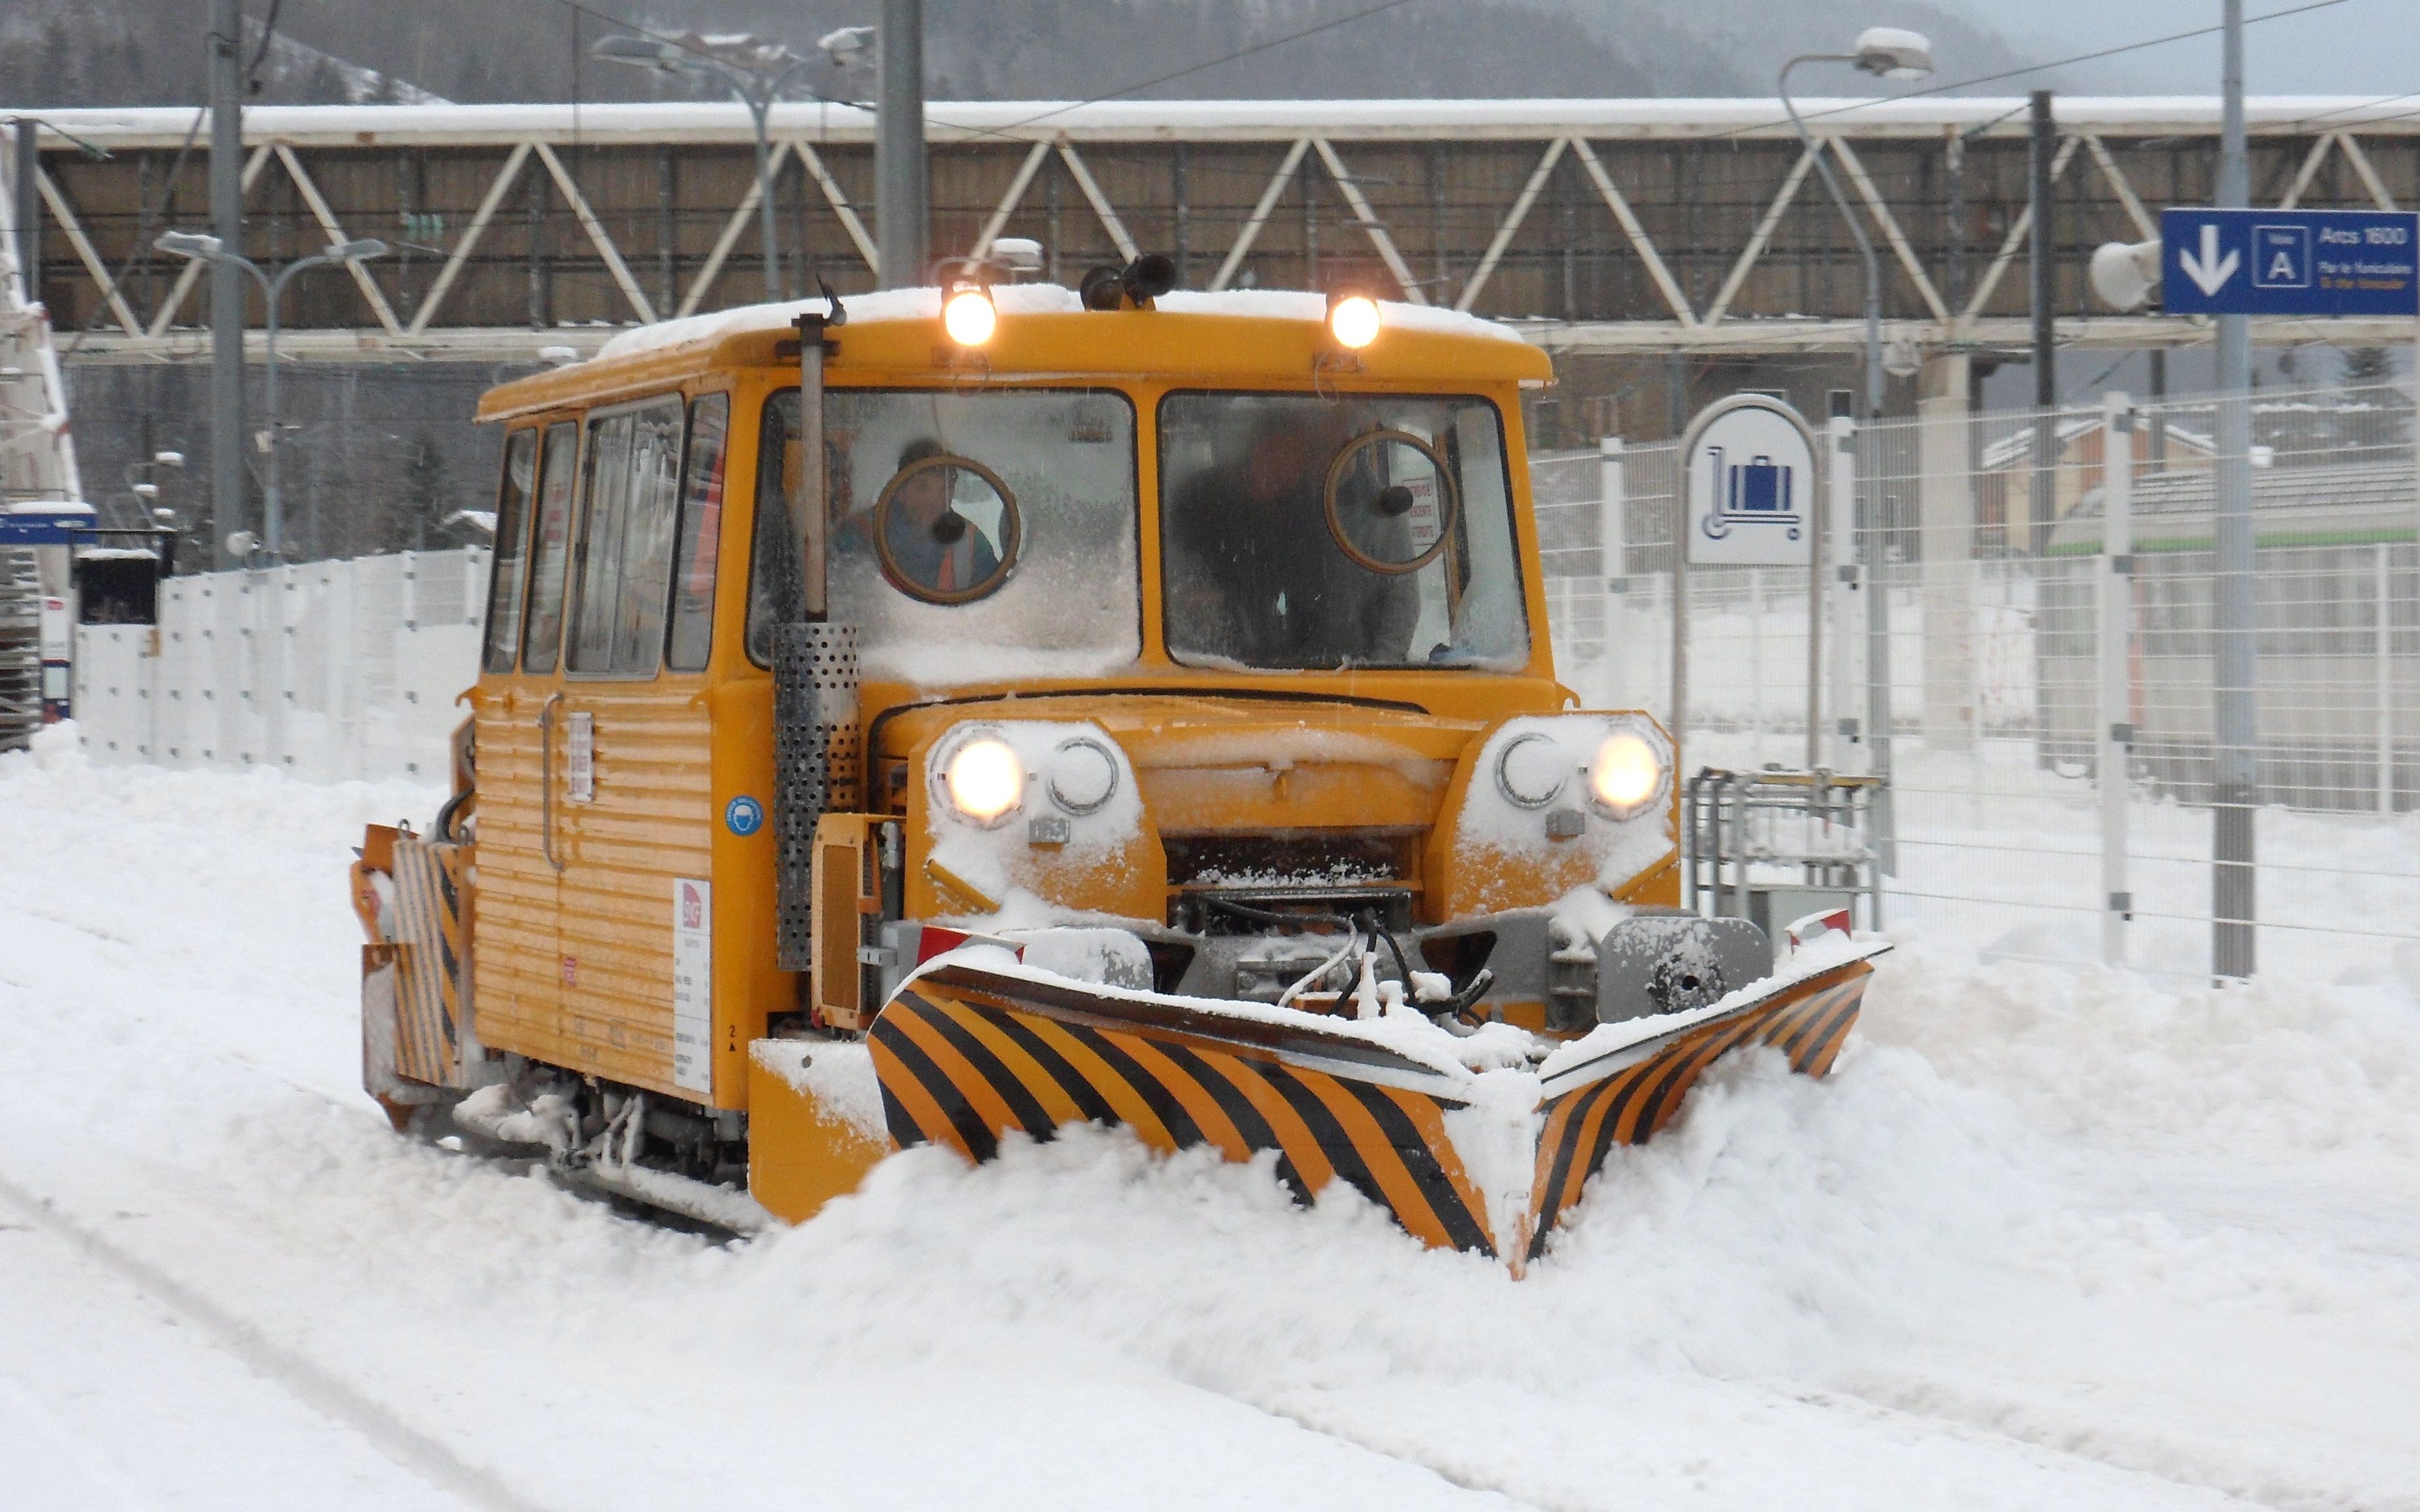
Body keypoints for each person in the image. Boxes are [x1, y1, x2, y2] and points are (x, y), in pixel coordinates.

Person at [1166, 404, 1419, 667]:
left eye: (1350, 446)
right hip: (1208, 660)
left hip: (1345, 669)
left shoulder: (1381, 513)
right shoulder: (1207, 499)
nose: (1291, 466)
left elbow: (1401, 603)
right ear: (1258, 448)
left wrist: (1380, 671)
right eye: (1325, 450)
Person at [874, 438, 1001, 597]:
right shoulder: (864, 534)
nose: (935, 502)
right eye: (923, 488)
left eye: (945, 489)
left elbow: (998, 606)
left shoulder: (971, 544)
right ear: (900, 491)